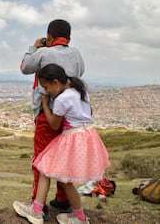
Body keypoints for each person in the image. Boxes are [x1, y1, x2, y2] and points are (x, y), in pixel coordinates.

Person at [13, 63, 110, 224]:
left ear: (56, 82)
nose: (47, 91)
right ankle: (77, 216)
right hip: (88, 136)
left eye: (46, 87)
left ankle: (38, 211)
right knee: (60, 177)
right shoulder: (80, 90)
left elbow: (54, 124)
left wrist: (44, 103)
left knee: (46, 169)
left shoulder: (62, 99)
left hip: (72, 139)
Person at [16, 19, 84, 216]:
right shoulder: (77, 54)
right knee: (63, 160)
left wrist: (33, 48)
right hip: (69, 117)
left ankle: (39, 205)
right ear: (69, 38)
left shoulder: (43, 52)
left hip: (48, 115)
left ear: (49, 37)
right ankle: (63, 202)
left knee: (42, 160)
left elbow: (25, 67)